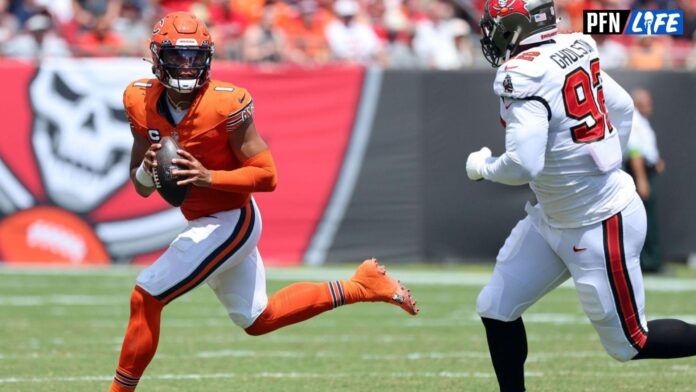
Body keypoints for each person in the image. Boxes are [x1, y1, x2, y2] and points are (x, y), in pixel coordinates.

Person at [109, 12, 418, 391]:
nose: (187, 66)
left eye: (194, 57)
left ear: (208, 58)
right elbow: (139, 184)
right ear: (157, 57)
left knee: (148, 295)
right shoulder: (139, 99)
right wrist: (148, 169)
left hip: (232, 218)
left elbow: (268, 175)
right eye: (177, 57)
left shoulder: (225, 104)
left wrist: (209, 177)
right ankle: (361, 286)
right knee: (257, 318)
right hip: (202, 221)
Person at [466, 0, 696, 390]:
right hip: (554, 217)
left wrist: (482, 168)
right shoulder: (574, 48)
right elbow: (622, 107)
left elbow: (524, 166)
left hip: (598, 223)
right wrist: (606, 160)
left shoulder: (522, 73)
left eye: (498, 25)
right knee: (496, 308)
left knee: (630, 343)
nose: (492, 34)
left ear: (520, 25)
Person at [625, 88, 665, 273]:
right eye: (646, 102)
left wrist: (655, 160)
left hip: (646, 172)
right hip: (638, 174)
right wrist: (641, 180)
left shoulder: (641, 121)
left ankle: (651, 260)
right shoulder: (634, 121)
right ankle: (647, 262)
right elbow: (634, 152)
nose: (650, 105)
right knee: (644, 219)